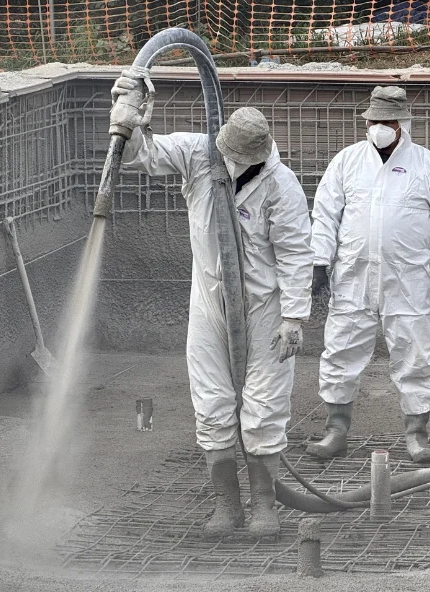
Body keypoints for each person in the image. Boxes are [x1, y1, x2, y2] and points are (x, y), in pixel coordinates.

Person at [110, 71, 313, 539]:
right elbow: (144, 154)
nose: (232, 163)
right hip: (209, 303)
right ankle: (227, 506)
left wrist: (294, 318)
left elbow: (297, 254)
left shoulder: (280, 186)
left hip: (265, 309)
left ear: (259, 155)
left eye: (240, 159)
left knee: (263, 408)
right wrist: (130, 117)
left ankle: (265, 506)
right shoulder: (201, 155)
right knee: (213, 405)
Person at [307, 85, 430, 464]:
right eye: (374, 121)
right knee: (341, 351)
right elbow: (325, 216)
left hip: (407, 280)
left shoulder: (428, 166)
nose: (379, 127)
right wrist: (318, 263)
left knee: (414, 355)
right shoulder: (346, 162)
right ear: (366, 123)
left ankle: (416, 435)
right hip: (353, 277)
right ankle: (336, 431)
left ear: (402, 124)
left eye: (387, 122)